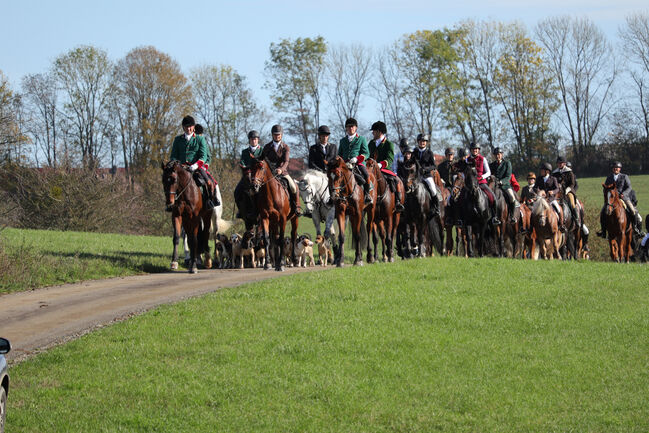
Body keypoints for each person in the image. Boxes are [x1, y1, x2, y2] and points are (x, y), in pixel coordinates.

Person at [169, 115, 219, 210]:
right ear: (183, 127)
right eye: (186, 126)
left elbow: (203, 156)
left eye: (190, 126)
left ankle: (210, 201)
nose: (189, 128)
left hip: (196, 167)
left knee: (208, 182)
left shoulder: (200, 139)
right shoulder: (177, 139)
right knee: (170, 181)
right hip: (181, 168)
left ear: (194, 127)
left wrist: (195, 165)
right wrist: (176, 165)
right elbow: (173, 156)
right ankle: (171, 203)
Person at [261, 124, 302, 216]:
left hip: (282, 172)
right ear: (272, 135)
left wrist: (281, 169)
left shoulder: (285, 147)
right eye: (275, 134)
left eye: (278, 134)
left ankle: (297, 207)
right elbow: (264, 160)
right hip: (269, 173)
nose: (277, 136)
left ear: (281, 135)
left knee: (293, 186)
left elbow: (286, 161)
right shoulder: (267, 147)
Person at [596, 161, 644, 238]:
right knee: (603, 212)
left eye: (617, 168)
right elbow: (605, 188)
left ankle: (636, 228)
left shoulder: (624, 177)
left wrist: (623, 194)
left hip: (623, 198)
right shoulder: (609, 178)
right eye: (614, 168)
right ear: (613, 169)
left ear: (619, 169)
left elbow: (629, 187)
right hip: (612, 199)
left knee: (633, 210)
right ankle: (603, 231)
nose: (616, 169)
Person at [369, 121, 403, 212]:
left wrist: (380, 164)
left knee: (396, 180)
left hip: (384, 169)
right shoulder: (371, 143)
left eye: (374, 131)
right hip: (372, 170)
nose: (372, 133)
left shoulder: (388, 144)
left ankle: (398, 202)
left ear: (379, 132)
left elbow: (390, 158)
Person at [338, 118, 372, 204]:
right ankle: (335, 196)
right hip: (345, 164)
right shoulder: (342, 141)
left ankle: (367, 194)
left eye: (352, 127)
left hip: (358, 164)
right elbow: (339, 155)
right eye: (348, 127)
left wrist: (357, 159)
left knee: (366, 175)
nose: (350, 128)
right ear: (346, 128)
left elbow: (366, 153)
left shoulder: (361, 139)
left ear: (356, 128)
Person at [467, 142, 500, 224]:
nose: (475, 150)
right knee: (460, 198)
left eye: (476, 149)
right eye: (473, 149)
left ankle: (495, 217)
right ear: (471, 150)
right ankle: (461, 218)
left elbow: (488, 172)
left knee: (493, 197)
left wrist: (482, 177)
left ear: (478, 150)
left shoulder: (483, 159)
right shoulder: (467, 160)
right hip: (471, 185)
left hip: (481, 183)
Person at [234, 130, 263, 219]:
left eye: (255, 139)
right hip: (247, 176)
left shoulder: (262, 151)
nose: (253, 141)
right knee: (237, 191)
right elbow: (242, 161)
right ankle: (240, 210)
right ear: (249, 140)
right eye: (252, 139)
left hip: (258, 176)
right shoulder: (245, 152)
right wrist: (243, 166)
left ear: (258, 140)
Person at [413, 133, 442, 215]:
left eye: (424, 141)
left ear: (426, 142)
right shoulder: (414, 152)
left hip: (426, 176)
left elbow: (433, 166)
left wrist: (425, 169)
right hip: (417, 176)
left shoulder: (429, 152)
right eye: (421, 141)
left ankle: (436, 207)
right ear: (418, 142)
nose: (422, 143)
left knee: (433, 189)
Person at [490, 147, 520, 223]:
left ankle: (512, 216)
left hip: (505, 185)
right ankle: (492, 216)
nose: (498, 156)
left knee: (512, 197)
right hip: (495, 186)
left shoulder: (507, 163)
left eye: (499, 154)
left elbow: (508, 176)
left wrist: (501, 182)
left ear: (502, 154)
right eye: (496, 154)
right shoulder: (492, 165)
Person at [535, 162, 565, 231]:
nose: (541, 172)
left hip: (551, 199)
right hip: (541, 199)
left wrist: (553, 192)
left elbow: (557, 188)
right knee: (534, 210)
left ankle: (561, 224)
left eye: (542, 170)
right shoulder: (539, 178)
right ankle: (531, 226)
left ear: (547, 171)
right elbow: (535, 187)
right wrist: (539, 191)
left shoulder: (553, 178)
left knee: (558, 209)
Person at [552, 155, 578, 222]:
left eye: (561, 163)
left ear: (564, 163)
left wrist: (567, 190)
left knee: (572, 203)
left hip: (568, 191)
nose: (559, 164)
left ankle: (576, 219)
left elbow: (572, 184)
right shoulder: (555, 173)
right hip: (558, 192)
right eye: (558, 163)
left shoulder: (569, 172)